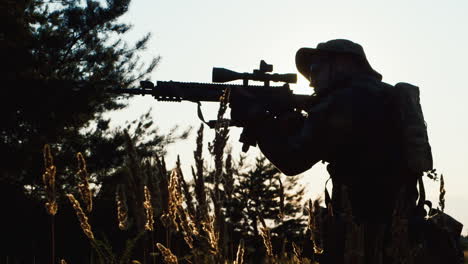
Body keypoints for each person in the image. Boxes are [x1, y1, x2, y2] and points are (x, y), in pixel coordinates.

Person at [232, 39, 434, 263]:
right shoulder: (384, 96)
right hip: (403, 231)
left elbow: (292, 159)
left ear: (342, 63)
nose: (311, 81)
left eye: (315, 69)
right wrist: (288, 122)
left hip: (361, 239)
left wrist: (258, 119)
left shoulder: (343, 101)